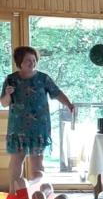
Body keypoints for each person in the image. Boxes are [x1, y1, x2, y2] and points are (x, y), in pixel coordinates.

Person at [1, 46, 77, 181]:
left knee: (37, 163)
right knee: (17, 160)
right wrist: (8, 94)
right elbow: (4, 103)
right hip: (18, 128)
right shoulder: (11, 79)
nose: (32, 63)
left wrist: (69, 104)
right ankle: (16, 191)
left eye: (34, 60)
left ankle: (35, 190)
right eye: (28, 60)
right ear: (20, 62)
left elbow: (57, 93)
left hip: (39, 127)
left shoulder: (43, 78)